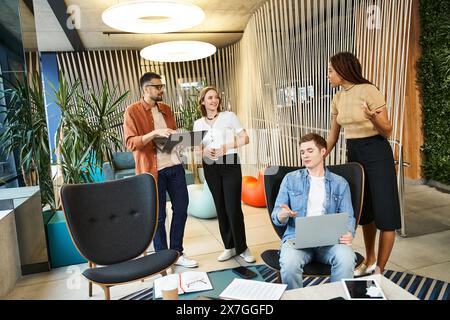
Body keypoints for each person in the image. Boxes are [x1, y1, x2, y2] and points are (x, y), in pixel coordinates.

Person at [326, 52, 401, 275]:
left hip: (377, 152)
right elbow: (333, 136)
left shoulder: (369, 90)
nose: (328, 75)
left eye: (331, 71)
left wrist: (372, 117)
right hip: (354, 155)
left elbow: (387, 130)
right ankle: (369, 259)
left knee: (386, 214)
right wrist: (321, 155)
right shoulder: (338, 98)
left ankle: (379, 269)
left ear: (342, 70)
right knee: (365, 212)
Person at [123, 72, 198, 268]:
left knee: (181, 209)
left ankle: (176, 252)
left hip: (175, 167)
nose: (161, 90)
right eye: (158, 87)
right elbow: (131, 143)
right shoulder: (132, 111)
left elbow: (169, 140)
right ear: (146, 89)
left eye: (161, 86)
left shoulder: (166, 109)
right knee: (158, 216)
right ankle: (163, 259)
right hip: (152, 172)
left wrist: (181, 141)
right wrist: (154, 132)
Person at [272, 133, 356, 289]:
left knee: (346, 258)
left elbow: (349, 216)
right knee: (289, 264)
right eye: (302, 152)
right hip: (297, 238)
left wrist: (349, 232)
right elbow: (276, 213)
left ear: (323, 151)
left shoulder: (340, 183)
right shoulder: (290, 179)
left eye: (310, 150)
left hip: (329, 241)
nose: (305, 155)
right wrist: (282, 215)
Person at [193, 86, 255, 263]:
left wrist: (225, 147)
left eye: (216, 97)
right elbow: (198, 149)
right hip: (210, 166)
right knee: (220, 207)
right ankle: (229, 247)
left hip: (229, 163)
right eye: (210, 98)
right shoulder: (198, 123)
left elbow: (245, 138)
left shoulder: (229, 116)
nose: (214, 100)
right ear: (203, 101)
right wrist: (205, 153)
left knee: (233, 207)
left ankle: (242, 247)